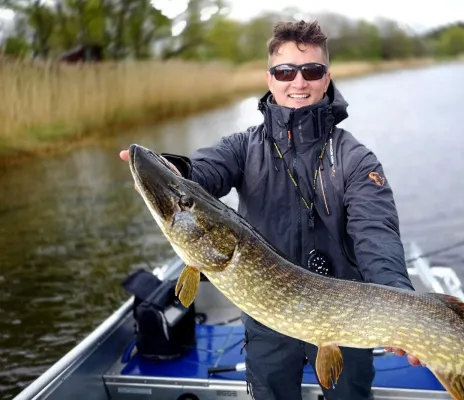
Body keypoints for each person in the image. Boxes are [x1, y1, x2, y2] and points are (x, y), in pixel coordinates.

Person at [120, 20, 421, 400]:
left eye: (311, 70)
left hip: (348, 318)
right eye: (285, 71)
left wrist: (398, 299)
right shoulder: (243, 148)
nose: (299, 82)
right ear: (270, 78)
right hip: (268, 320)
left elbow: (376, 234)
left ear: (326, 79)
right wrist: (176, 172)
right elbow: (203, 172)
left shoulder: (356, 160)